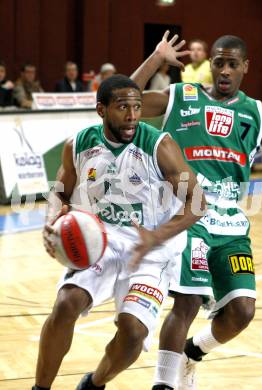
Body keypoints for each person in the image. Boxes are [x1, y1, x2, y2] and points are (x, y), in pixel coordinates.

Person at [131, 31, 262, 390]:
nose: (225, 70)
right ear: (210, 65)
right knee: (187, 302)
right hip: (189, 216)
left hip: (231, 224)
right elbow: (125, 98)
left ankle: (192, 353)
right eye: (219, 63)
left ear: (245, 67)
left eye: (233, 64)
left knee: (243, 311)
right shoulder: (183, 97)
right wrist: (155, 58)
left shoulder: (255, 112)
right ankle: (163, 384)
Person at [32, 74, 206, 390]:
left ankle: (94, 384)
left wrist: (157, 235)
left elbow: (197, 201)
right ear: (102, 110)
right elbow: (60, 190)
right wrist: (52, 219)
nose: (132, 116)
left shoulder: (159, 145)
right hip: (101, 239)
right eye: (123, 107)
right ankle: (39, 388)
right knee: (66, 303)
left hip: (151, 250)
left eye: (137, 107)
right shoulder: (79, 144)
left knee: (133, 331)